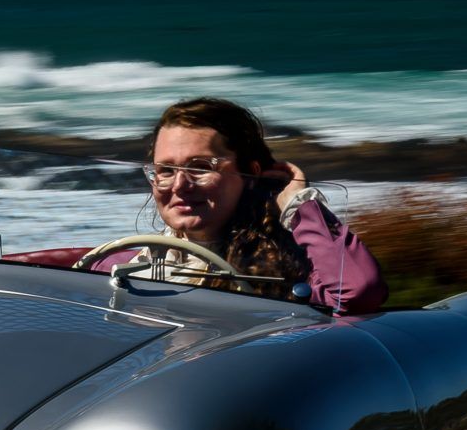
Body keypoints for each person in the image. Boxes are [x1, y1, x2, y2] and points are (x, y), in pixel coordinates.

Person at [122, 96, 387, 313]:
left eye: (201, 167)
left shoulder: (289, 267)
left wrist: (299, 205)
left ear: (249, 175)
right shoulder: (135, 259)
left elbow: (357, 291)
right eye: (166, 170)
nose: (180, 185)